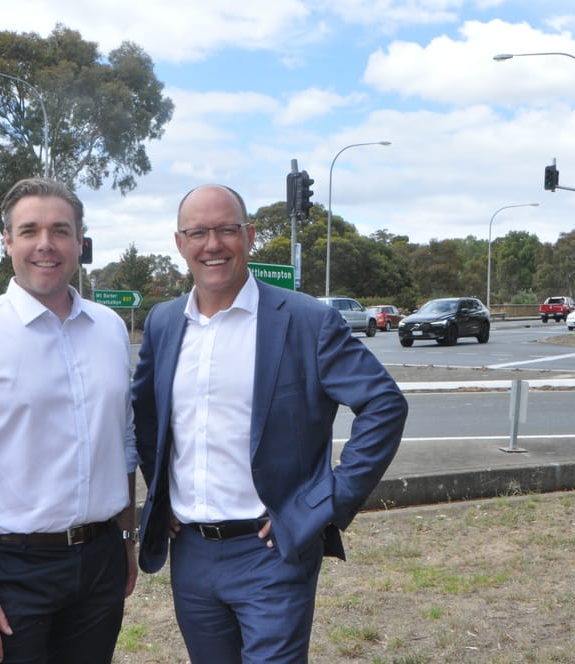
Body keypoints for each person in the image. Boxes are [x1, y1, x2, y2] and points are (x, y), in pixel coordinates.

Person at [132, 184, 408, 663]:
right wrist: (161, 494)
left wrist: (321, 504)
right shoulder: (162, 322)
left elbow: (383, 405)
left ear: (250, 236)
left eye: (226, 230)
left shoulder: (306, 321)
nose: (212, 244)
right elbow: (146, 414)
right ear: (180, 243)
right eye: (198, 232)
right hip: (192, 555)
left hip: (272, 552)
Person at [0, 177, 139, 664]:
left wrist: (126, 540)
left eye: (60, 230)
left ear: (81, 241)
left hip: (100, 563)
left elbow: (121, 441)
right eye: (29, 229)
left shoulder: (110, 330)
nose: (46, 244)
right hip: (8, 570)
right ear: (8, 242)